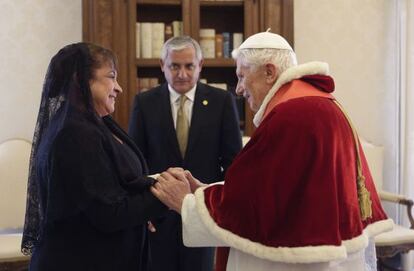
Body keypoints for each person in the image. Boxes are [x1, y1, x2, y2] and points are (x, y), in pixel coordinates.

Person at [150, 31, 394, 271]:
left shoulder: (291, 116)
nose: (238, 88)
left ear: (269, 72)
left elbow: (255, 208)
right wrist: (204, 191)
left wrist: (186, 203)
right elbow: (270, 190)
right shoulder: (318, 103)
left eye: (243, 76)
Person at [21, 42, 167, 271]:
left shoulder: (97, 123)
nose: (119, 87)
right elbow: (107, 213)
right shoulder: (74, 134)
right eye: (111, 77)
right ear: (80, 79)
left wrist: (154, 189)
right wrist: (165, 195)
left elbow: (118, 186)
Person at [128, 36, 242, 271]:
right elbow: (136, 162)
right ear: (162, 66)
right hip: (157, 213)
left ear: (200, 66)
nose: (182, 74)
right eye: (174, 66)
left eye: (189, 66)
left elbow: (233, 163)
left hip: (202, 211)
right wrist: (142, 207)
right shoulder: (144, 102)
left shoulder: (222, 101)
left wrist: (221, 205)